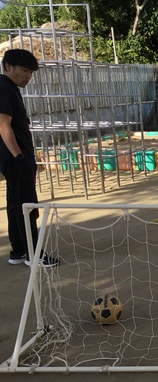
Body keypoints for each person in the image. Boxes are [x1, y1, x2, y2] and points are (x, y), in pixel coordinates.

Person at [0, 49, 59, 267]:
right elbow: (3, 125)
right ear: (8, 67)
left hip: (13, 158)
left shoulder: (9, 88)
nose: (28, 76)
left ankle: (18, 250)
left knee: (16, 204)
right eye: (24, 70)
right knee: (27, 206)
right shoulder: (4, 89)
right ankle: (34, 255)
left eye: (31, 72)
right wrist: (19, 157)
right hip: (16, 158)